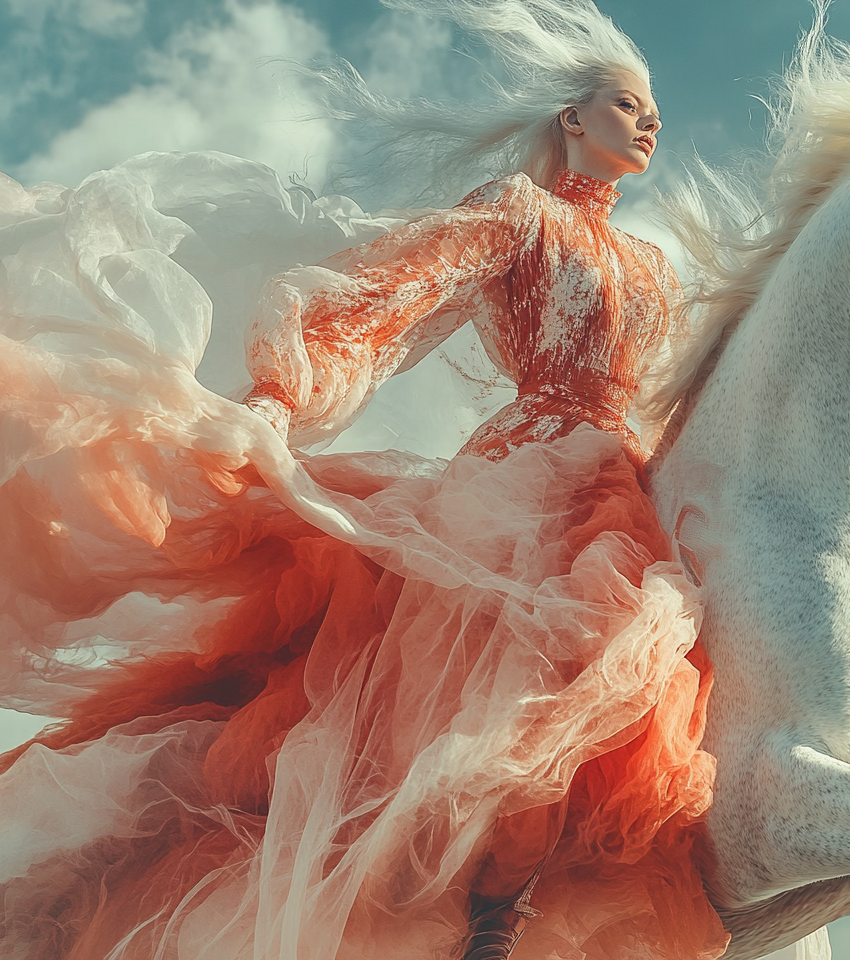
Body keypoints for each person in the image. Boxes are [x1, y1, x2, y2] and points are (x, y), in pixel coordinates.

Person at [0, 1, 728, 958]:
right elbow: (389, 292)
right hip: (526, 476)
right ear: (573, 119)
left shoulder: (652, 268)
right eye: (629, 104)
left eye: (655, 111)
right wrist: (276, 393)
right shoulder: (518, 214)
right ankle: (476, 904)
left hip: (623, 475)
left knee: (641, 675)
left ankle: (529, 890)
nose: (651, 123)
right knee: (495, 666)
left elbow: (682, 392)